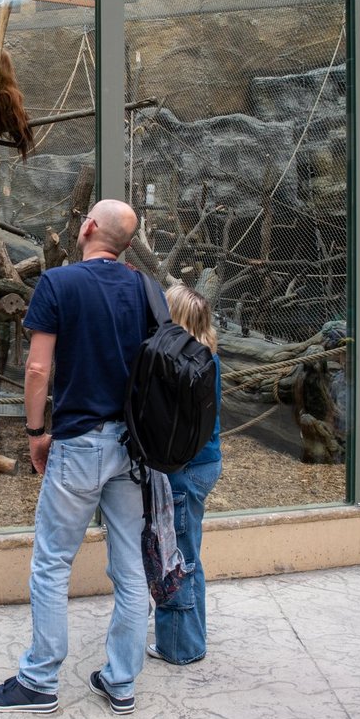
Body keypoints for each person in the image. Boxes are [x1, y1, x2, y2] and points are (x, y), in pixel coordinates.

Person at [0, 199, 150, 716]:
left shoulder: (59, 283)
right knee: (130, 566)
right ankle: (121, 681)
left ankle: (39, 681)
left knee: (52, 562)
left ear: (89, 227)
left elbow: (37, 369)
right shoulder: (144, 288)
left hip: (80, 442)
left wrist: (35, 432)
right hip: (134, 446)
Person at [146, 283, 222, 664]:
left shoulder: (179, 364)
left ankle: (180, 646)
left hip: (184, 470)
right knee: (190, 553)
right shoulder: (209, 358)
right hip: (206, 464)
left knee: (176, 559)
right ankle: (193, 635)